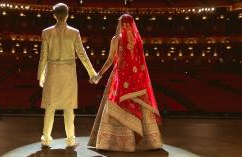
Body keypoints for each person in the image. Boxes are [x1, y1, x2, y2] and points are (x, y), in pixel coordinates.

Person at [88, 14, 163, 152]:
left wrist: (99, 75)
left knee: (118, 104)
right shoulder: (138, 40)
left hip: (119, 78)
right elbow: (141, 64)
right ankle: (150, 141)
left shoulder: (116, 40)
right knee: (140, 106)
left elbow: (110, 60)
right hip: (137, 81)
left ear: (120, 24)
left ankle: (119, 142)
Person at [37, 3, 96, 148]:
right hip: (68, 73)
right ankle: (70, 140)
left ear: (54, 15)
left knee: (50, 107)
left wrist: (40, 75)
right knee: (68, 108)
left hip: (52, 71)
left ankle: (45, 139)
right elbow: (82, 55)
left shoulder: (46, 32)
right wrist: (92, 72)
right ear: (68, 14)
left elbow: (43, 56)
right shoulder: (74, 32)